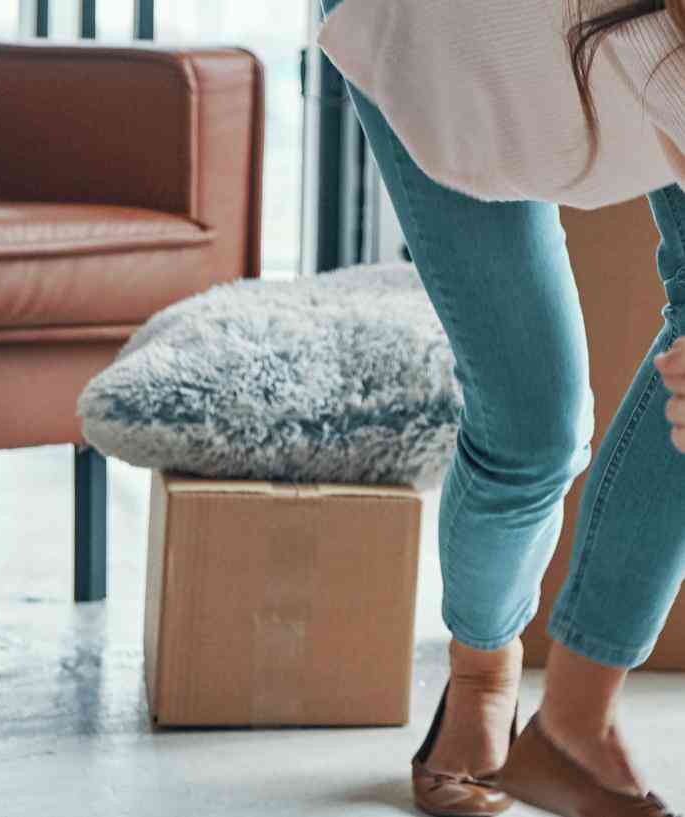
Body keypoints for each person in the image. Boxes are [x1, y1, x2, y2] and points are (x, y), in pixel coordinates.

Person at [314, 2, 685, 817]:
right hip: (440, 30)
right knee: (534, 427)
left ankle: (573, 726)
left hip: (605, 36)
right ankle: (483, 673)